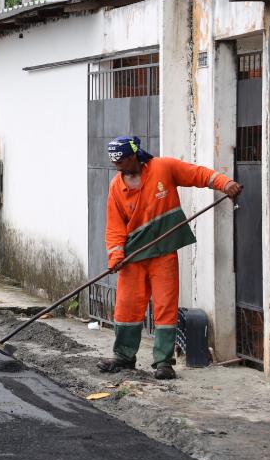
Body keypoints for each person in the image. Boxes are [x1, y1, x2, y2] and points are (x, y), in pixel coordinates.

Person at [98, 136, 242, 380]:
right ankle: (123, 356)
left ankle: (163, 362)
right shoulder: (116, 187)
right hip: (133, 256)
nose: (120, 168)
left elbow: (196, 174)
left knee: (165, 306)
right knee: (127, 307)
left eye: (122, 161)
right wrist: (116, 255)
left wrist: (224, 183)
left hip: (163, 253)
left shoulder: (163, 168)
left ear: (134, 156)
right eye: (116, 164)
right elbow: (114, 226)